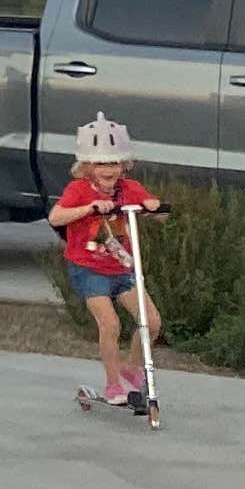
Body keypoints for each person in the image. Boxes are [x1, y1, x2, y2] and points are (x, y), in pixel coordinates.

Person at [47, 115, 164, 408]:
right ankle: (113, 384)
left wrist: (154, 207)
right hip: (89, 268)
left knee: (151, 322)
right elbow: (55, 217)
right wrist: (89, 208)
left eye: (113, 163)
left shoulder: (129, 188)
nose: (108, 170)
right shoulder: (79, 190)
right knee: (110, 324)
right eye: (100, 163)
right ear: (87, 166)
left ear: (124, 165)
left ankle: (132, 368)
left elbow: (157, 210)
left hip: (123, 267)